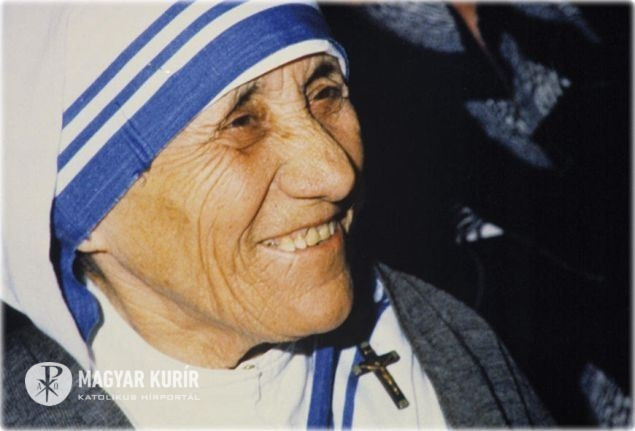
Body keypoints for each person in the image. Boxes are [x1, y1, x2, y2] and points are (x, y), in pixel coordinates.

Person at [3, 1, 552, 428]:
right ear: (82, 211)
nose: (335, 174)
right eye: (242, 123)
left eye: (325, 92)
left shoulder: (443, 339)